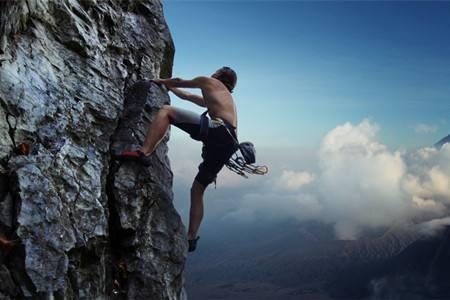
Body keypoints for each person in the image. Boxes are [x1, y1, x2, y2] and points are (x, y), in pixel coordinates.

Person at [114, 67, 238, 252]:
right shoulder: (222, 97)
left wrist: (159, 80)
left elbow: (180, 80)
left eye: (217, 71)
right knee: (197, 190)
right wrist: (169, 88)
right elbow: (187, 96)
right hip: (228, 142)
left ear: (219, 75)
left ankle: (144, 152)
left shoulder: (209, 81)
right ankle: (191, 237)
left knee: (166, 111)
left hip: (218, 131)